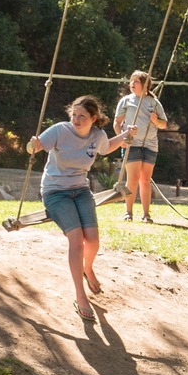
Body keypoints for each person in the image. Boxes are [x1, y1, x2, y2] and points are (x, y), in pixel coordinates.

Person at [26, 95, 131, 319]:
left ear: (93, 118)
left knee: (92, 239)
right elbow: (36, 146)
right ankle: (80, 295)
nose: (76, 119)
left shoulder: (97, 135)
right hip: (55, 192)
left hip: (80, 190)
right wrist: (33, 145)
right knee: (77, 240)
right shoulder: (59, 131)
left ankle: (88, 268)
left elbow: (106, 147)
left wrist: (125, 136)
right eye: (74, 115)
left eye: (82, 116)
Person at [113, 70, 168, 223]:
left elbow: (164, 124)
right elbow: (117, 123)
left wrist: (156, 121)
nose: (132, 84)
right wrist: (121, 139)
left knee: (145, 180)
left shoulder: (154, 103)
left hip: (150, 145)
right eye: (131, 81)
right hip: (132, 144)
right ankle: (128, 213)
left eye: (136, 81)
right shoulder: (126, 101)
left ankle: (146, 215)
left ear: (145, 85)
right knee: (133, 178)